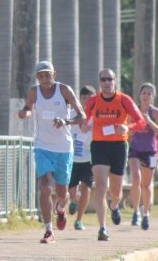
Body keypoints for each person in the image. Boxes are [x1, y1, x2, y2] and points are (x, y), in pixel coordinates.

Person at [18, 61, 85, 244]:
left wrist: (66, 121)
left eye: (47, 75)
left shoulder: (64, 90)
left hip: (63, 148)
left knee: (63, 194)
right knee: (46, 187)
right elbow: (28, 108)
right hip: (43, 146)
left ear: (54, 74)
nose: (44, 79)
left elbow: (82, 116)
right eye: (41, 76)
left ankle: (61, 210)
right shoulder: (34, 92)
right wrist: (25, 113)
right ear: (37, 78)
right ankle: (49, 230)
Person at [84, 69, 146, 241]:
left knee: (116, 192)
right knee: (101, 186)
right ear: (99, 82)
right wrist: (83, 126)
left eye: (109, 79)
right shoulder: (93, 101)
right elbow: (84, 120)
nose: (106, 82)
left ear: (115, 81)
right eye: (103, 79)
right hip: (99, 145)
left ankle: (115, 205)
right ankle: (102, 228)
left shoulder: (124, 100)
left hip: (119, 146)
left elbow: (141, 122)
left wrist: (128, 127)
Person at [128, 83, 158, 231]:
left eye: (149, 93)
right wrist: (137, 124)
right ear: (139, 95)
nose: (146, 96)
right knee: (136, 179)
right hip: (135, 150)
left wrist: (149, 122)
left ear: (153, 96)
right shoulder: (133, 111)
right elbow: (128, 132)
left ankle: (146, 213)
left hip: (150, 151)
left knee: (146, 184)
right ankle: (135, 211)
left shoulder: (156, 112)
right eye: (144, 93)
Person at [68, 85, 96, 231]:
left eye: (89, 98)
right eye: (84, 97)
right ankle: (75, 200)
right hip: (73, 159)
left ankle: (79, 220)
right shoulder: (73, 114)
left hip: (89, 160)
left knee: (86, 188)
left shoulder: (97, 117)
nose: (86, 101)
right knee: (72, 192)